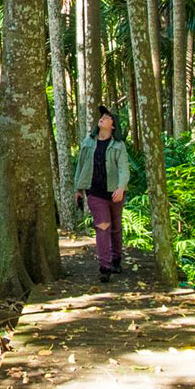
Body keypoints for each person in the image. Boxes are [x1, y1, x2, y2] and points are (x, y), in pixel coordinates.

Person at [73, 105, 130, 283]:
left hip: (114, 192)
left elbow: (123, 169)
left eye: (107, 117)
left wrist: (121, 188)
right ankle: (105, 266)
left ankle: (116, 258)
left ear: (113, 125)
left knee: (115, 227)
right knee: (103, 225)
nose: (102, 119)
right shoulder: (88, 142)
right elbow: (80, 166)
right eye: (102, 116)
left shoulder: (118, 146)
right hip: (95, 191)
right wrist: (78, 189)